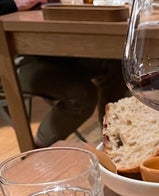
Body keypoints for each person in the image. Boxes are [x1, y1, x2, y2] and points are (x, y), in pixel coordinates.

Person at [0, 0, 128, 147]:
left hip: (49, 45)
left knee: (113, 63)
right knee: (81, 94)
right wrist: (14, 4)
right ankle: (37, 150)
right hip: (10, 57)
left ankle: (113, 141)